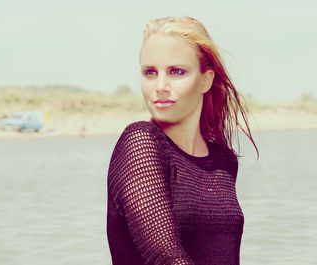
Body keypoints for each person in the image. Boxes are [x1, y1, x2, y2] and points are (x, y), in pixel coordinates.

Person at [106, 16, 258, 265]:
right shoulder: (140, 144)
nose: (161, 86)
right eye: (150, 73)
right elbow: (165, 257)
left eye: (176, 72)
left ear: (205, 80)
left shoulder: (223, 160)